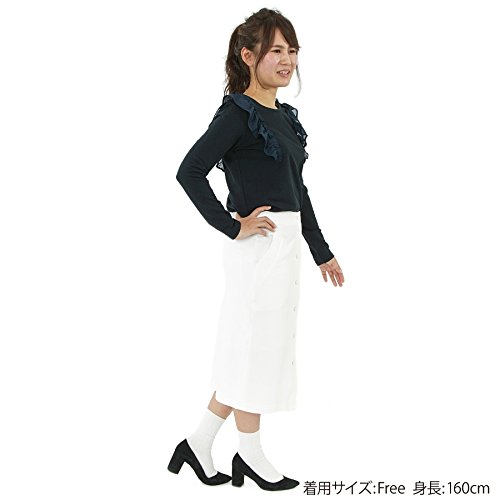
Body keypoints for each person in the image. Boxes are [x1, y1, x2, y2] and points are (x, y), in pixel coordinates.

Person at [168, 7, 344, 491]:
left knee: (253, 350)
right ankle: (249, 454)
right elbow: (189, 171)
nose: (288, 60)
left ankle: (198, 443)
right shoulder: (237, 114)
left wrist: (321, 251)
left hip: (284, 244)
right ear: (248, 56)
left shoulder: (283, 117)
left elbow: (297, 190)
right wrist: (231, 225)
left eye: (293, 51)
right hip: (259, 248)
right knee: (256, 351)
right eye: (276, 50)